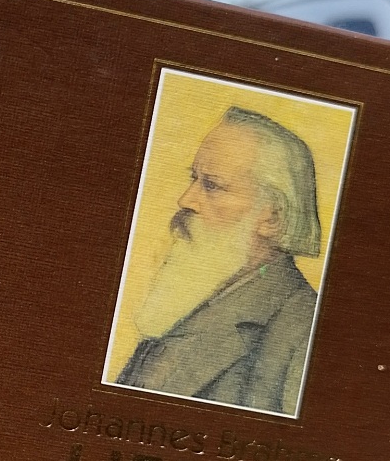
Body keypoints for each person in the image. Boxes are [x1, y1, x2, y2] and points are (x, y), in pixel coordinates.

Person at [113, 106, 324, 414]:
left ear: (273, 217)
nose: (185, 200)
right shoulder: (182, 302)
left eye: (212, 185)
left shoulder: (304, 332)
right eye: (194, 178)